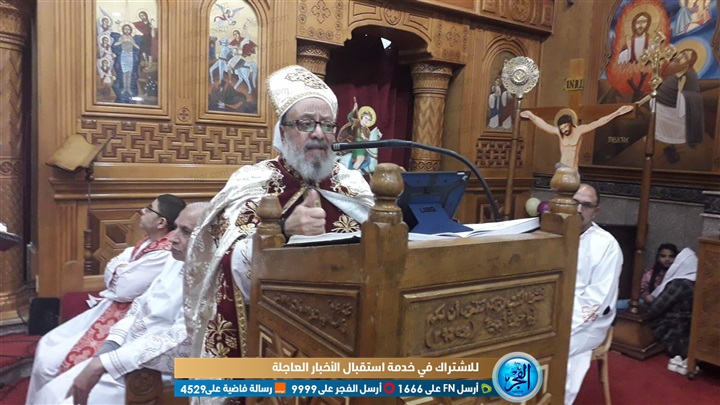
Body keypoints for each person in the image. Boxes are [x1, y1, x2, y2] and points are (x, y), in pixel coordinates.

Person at [184, 65, 374, 369]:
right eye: (305, 123)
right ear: (283, 130)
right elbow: (224, 264)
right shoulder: (251, 181)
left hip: (345, 330)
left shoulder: (353, 184)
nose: (318, 133)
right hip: (272, 332)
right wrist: (283, 231)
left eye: (327, 125)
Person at [32, 202, 208, 405]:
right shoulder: (175, 260)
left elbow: (183, 341)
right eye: (175, 227)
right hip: (129, 354)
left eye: (186, 231)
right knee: (51, 392)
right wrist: (109, 348)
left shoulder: (215, 277)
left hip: (171, 373)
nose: (173, 238)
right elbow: (140, 305)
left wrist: (107, 362)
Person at [565, 184, 623, 405]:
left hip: (589, 321)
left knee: (554, 346)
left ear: (596, 212)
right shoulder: (551, 233)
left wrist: (559, 326)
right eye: (574, 203)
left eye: (586, 205)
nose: (579, 209)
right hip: (551, 313)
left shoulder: (607, 245)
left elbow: (597, 301)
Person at [520, 105, 633, 170]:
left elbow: (598, 123)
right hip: (561, 168)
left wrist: (617, 113)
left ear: (570, 124)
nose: (563, 129)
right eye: (561, 127)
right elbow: (544, 125)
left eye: (565, 126)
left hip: (573, 170)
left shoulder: (580, 130)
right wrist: (531, 116)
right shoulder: (559, 132)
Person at [648, 247, 697, 376]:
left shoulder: (680, 283)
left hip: (672, 327)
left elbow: (655, 309)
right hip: (692, 328)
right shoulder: (699, 281)